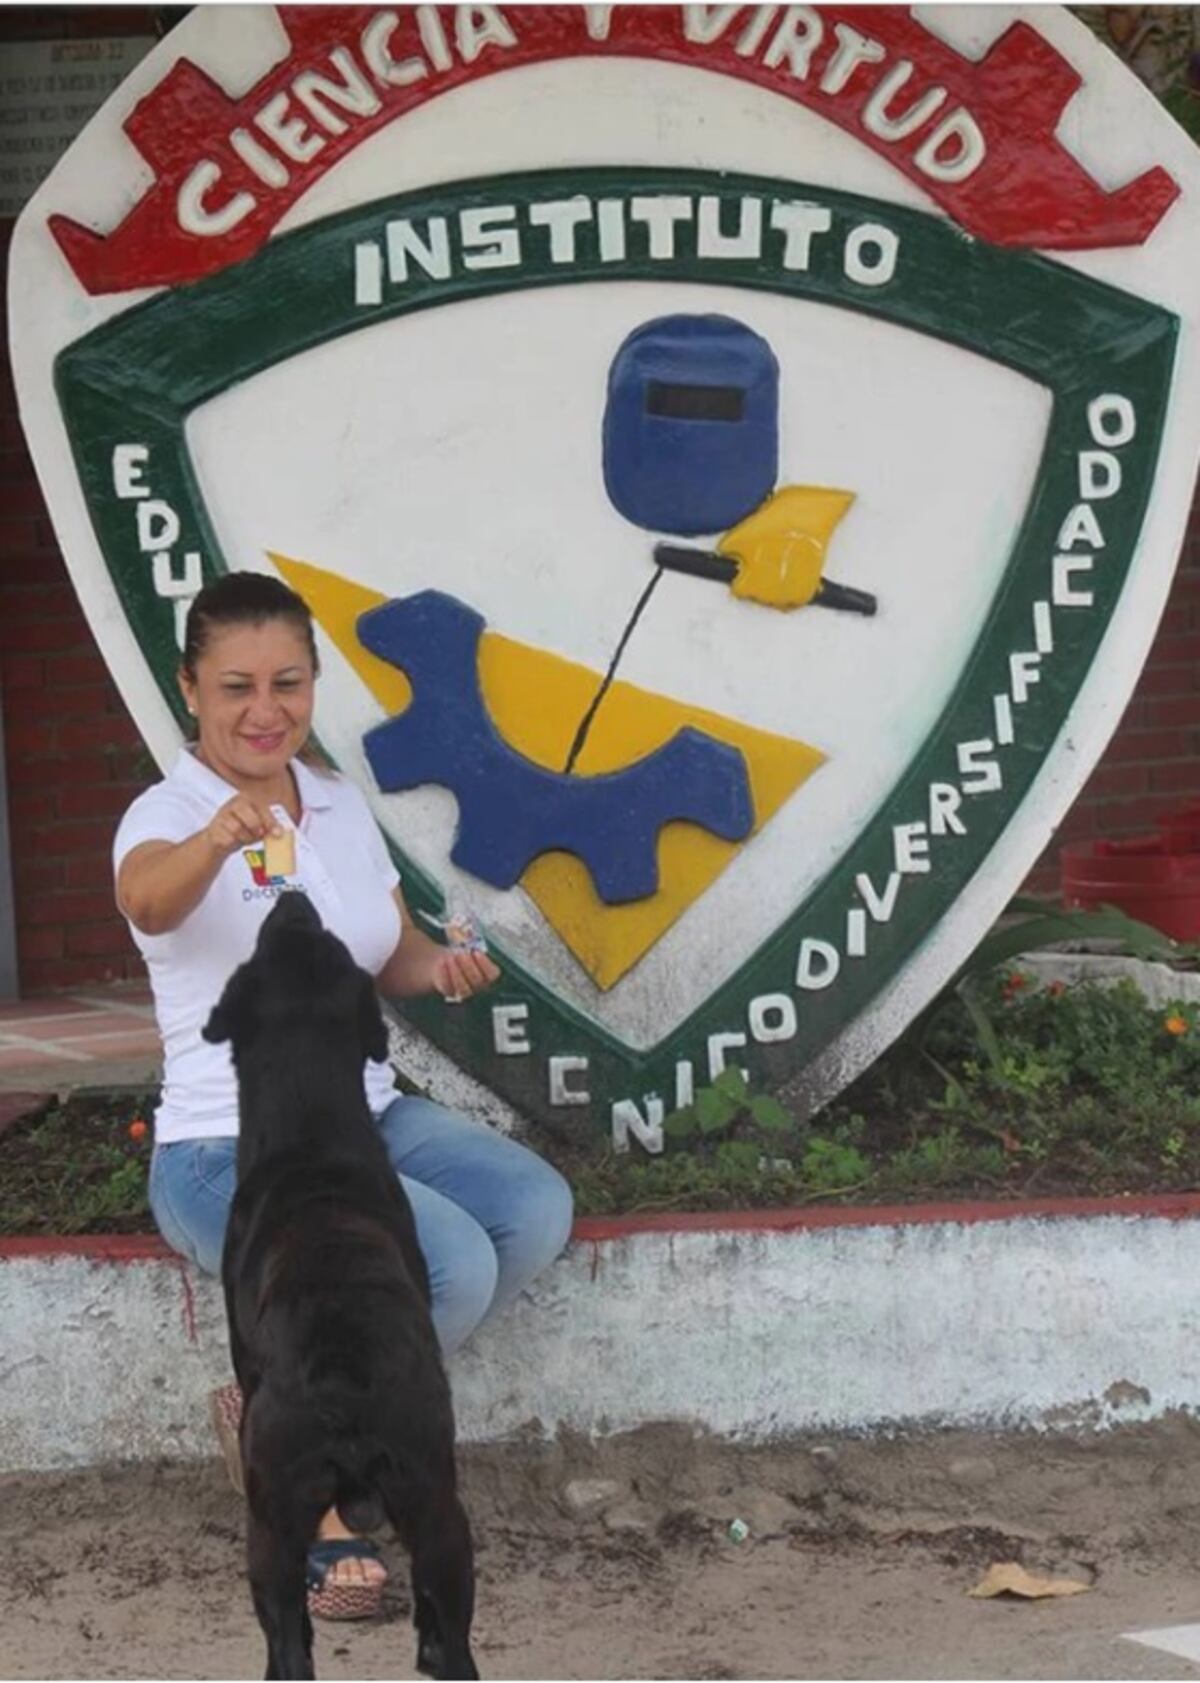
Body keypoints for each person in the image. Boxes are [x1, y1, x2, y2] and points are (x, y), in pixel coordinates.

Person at [113, 572, 574, 1621]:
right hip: (224, 1148)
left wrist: (438, 969)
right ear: (191, 689)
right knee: (443, 1269)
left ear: (315, 684)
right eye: (235, 687)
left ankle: (277, 1407)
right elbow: (144, 898)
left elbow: (388, 951)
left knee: (530, 1213)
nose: (263, 709)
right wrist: (219, 839)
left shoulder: (337, 806)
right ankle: (319, 1497)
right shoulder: (169, 815)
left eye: (287, 682)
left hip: (364, 1117)